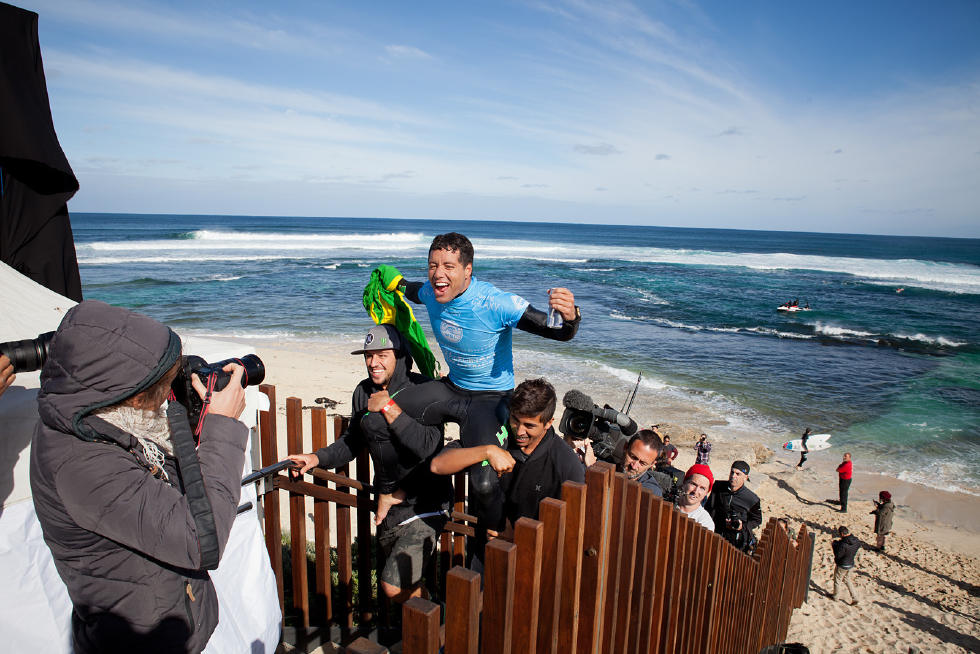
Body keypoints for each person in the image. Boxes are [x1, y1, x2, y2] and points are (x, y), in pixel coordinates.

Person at [30, 300, 249, 654]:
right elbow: (201, 540)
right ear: (127, 396)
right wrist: (221, 426)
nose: (165, 398)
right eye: (161, 388)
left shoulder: (97, 420)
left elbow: (168, 489)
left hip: (161, 619)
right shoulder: (82, 462)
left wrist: (187, 411)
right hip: (140, 640)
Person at [395, 233, 581, 535]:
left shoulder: (496, 303)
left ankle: (494, 537)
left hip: (491, 399)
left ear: (467, 270)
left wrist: (571, 317)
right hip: (452, 388)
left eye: (448, 266)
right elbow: (411, 289)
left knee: (482, 483)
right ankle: (419, 495)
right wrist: (392, 280)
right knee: (386, 413)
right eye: (432, 265)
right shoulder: (431, 292)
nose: (438, 274)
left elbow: (557, 332)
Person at [286, 325, 451, 603]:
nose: (373, 363)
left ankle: (439, 623)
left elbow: (429, 448)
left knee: (393, 585)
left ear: (400, 357)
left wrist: (388, 408)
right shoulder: (363, 392)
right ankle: (418, 633)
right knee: (402, 585)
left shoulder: (424, 390)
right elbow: (352, 441)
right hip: (386, 505)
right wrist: (316, 458)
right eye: (368, 355)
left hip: (425, 504)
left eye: (382, 355)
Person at [429, 378, 583, 564]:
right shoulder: (496, 436)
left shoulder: (566, 464)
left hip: (532, 562)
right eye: (515, 421)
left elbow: (573, 529)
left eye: (529, 425)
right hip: (482, 554)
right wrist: (487, 451)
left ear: (549, 423)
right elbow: (438, 465)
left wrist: (516, 537)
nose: (519, 432)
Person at [706, 460, 763, 552]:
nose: (733, 476)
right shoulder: (718, 486)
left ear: (745, 477)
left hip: (735, 539)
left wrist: (742, 526)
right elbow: (709, 507)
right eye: (732, 472)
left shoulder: (752, 499)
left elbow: (757, 520)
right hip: (715, 531)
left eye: (738, 474)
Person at [617, 429, 670, 497]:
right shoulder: (604, 467)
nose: (634, 466)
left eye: (642, 463)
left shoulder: (650, 493)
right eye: (633, 457)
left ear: (652, 464)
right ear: (625, 447)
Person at [675, 464, 715, 530]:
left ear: (706, 493)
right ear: (684, 483)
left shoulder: (705, 522)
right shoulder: (668, 502)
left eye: (702, 488)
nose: (696, 491)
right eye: (693, 484)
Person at [831, 526, 861, 605]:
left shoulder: (843, 544)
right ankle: (855, 597)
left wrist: (834, 545)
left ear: (842, 534)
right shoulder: (856, 541)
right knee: (847, 580)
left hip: (842, 564)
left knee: (838, 580)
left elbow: (838, 555)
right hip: (851, 564)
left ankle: (835, 596)